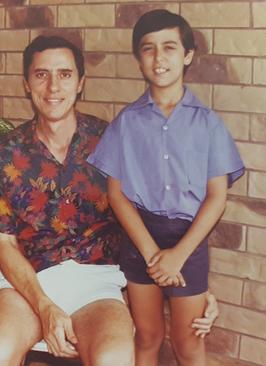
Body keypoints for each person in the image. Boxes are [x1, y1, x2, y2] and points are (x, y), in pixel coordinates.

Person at [0, 35, 220, 366]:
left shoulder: (112, 140)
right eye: (41, 74)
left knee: (115, 358)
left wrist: (193, 287)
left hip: (97, 284)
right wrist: (44, 305)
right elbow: (4, 244)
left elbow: (153, 219)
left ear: (81, 83)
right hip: (27, 284)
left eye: (65, 74)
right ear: (26, 84)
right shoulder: (6, 153)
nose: (53, 87)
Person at [87, 10, 244, 366]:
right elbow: (116, 194)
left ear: (187, 55)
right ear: (139, 59)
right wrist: (151, 255)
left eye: (170, 47)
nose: (159, 58)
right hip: (140, 237)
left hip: (188, 239)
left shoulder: (208, 124)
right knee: (147, 337)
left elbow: (217, 197)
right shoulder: (126, 123)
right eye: (149, 49)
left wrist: (178, 255)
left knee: (188, 343)